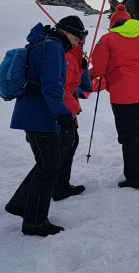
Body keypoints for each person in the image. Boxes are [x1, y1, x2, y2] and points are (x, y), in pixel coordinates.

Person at [5, 16, 87, 236]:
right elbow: (52, 87)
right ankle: (34, 222)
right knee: (49, 167)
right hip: (40, 116)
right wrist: (63, 115)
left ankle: (21, 204)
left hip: (34, 114)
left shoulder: (43, 44)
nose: (78, 43)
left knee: (46, 164)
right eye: (78, 38)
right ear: (67, 32)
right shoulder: (53, 49)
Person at [90, 6, 139, 188]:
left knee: (128, 133)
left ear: (113, 23)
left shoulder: (107, 39)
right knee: (138, 121)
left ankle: (135, 177)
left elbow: (99, 69)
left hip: (123, 95)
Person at [52, 31, 92, 201]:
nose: (81, 43)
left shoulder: (74, 54)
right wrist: (71, 110)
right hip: (64, 109)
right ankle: (58, 187)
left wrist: (83, 66)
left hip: (67, 106)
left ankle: (59, 185)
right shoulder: (66, 55)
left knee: (69, 143)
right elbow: (63, 87)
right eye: (79, 40)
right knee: (64, 145)